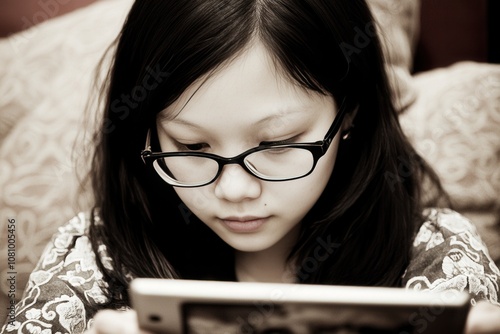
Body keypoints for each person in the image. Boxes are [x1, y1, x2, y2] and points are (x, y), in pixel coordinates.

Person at [2, 0, 500, 333]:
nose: (235, 189)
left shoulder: (437, 257)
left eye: (277, 143)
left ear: (350, 113)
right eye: (192, 147)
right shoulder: (92, 257)